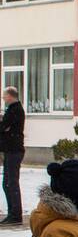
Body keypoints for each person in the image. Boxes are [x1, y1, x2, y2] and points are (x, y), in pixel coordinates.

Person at [0, 86, 25, 225]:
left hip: (14, 151)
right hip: (10, 150)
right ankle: (13, 213)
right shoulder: (12, 110)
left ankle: (15, 215)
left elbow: (3, 127)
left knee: (11, 183)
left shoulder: (15, 110)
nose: (3, 98)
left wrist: (3, 126)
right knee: (7, 183)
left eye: (4, 95)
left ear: (10, 96)